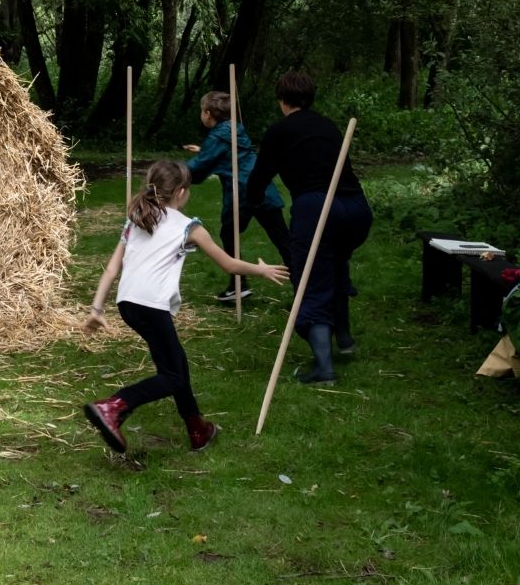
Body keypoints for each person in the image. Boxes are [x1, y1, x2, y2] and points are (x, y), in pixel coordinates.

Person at [82, 160, 290, 455]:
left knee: (176, 363)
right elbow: (228, 263)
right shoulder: (188, 226)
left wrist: (96, 310)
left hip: (128, 303)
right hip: (152, 305)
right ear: (180, 192)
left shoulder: (137, 218)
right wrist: (261, 270)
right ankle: (113, 407)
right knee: (172, 376)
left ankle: (197, 429)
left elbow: (112, 269)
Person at [243, 69, 373, 385]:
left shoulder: (280, 131)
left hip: (317, 208)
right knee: (335, 267)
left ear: (281, 99)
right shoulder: (327, 125)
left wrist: (252, 201)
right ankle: (344, 342)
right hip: (356, 208)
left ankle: (324, 369)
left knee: (313, 280)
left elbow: (259, 177)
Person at [181, 90, 293, 302]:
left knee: (230, 234)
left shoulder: (217, 136)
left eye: (200, 112)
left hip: (242, 192)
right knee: (282, 239)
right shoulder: (235, 129)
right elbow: (227, 153)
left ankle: (239, 284)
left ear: (207, 113)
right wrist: (203, 150)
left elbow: (198, 169)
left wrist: (172, 172)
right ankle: (307, 286)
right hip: (263, 188)